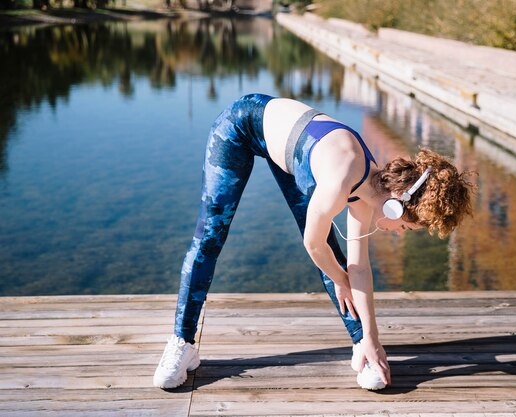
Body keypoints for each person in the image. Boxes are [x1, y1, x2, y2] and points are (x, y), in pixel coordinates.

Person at [153, 93, 474, 390]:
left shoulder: (367, 194)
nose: (402, 231)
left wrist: (375, 338)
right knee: (211, 236)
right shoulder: (342, 177)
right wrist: (339, 277)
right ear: (396, 205)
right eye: (407, 226)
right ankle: (182, 343)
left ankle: (363, 345)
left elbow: (359, 267)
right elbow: (312, 244)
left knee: (334, 255)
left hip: (291, 150)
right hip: (241, 125)